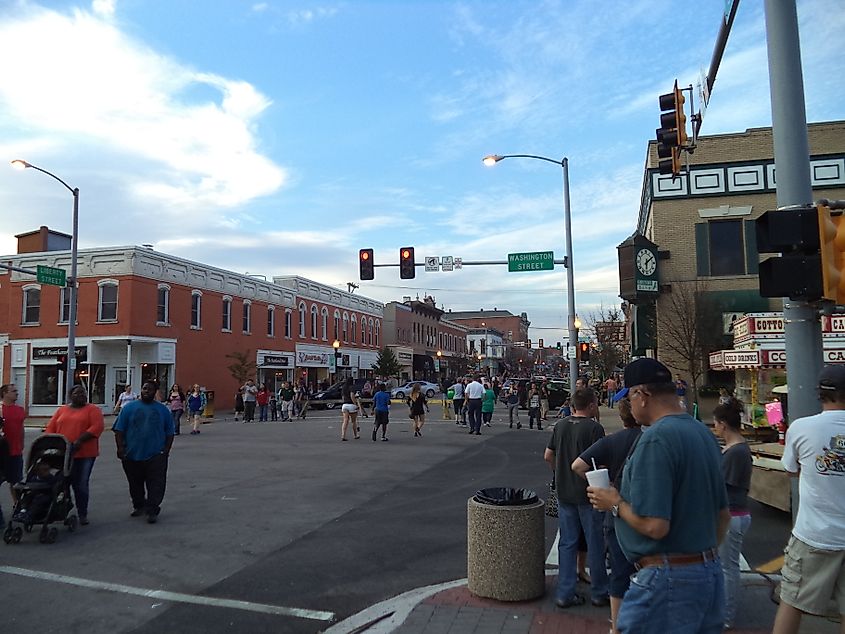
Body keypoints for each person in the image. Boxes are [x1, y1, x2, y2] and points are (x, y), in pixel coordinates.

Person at [587, 358, 729, 633]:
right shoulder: (704, 433)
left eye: (628, 397)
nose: (628, 405)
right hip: (707, 572)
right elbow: (723, 515)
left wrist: (614, 503)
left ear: (643, 395)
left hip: (666, 579)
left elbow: (655, 525)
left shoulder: (656, 439)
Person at [773, 365, 845, 634]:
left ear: (820, 394)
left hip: (814, 535)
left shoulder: (801, 428)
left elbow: (791, 469)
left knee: (791, 602)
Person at [572, 396, 641, 634]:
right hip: (644, 510)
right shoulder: (649, 440)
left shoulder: (612, 442)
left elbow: (577, 466)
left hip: (615, 512)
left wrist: (601, 481)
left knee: (619, 570)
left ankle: (617, 625)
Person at [544, 387, 608, 609]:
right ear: (590, 405)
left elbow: (548, 455)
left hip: (564, 492)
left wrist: (558, 472)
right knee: (596, 543)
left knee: (567, 543)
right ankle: (600, 592)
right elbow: (600, 463)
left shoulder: (560, 426)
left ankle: (565, 592)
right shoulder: (594, 429)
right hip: (588, 493)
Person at [712, 398, 752, 630]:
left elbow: (722, 485)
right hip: (731, 514)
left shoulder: (736, 452)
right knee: (724, 565)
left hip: (733, 515)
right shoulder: (734, 449)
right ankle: (723, 609)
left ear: (724, 424)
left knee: (728, 567)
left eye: (716, 424)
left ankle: (727, 615)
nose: (715, 428)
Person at [112, 381, 174, 524]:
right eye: (144, 388)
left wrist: (165, 451)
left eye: (150, 389)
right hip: (132, 454)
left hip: (155, 455)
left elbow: (169, 432)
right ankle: (139, 505)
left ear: (155, 392)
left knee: (156, 483)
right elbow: (119, 430)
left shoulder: (163, 410)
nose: (146, 391)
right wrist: (120, 448)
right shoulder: (128, 408)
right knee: (135, 483)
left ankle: (152, 509)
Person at [45, 384, 105, 525]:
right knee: (63, 482)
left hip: (84, 453)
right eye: (77, 393)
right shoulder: (62, 410)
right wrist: (50, 442)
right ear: (70, 396)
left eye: (83, 393)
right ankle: (64, 508)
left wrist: (80, 440)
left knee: (81, 484)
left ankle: (82, 512)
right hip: (63, 453)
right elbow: (50, 427)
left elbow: (97, 427)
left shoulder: (92, 409)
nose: (81, 395)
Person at [0, 384, 26, 528]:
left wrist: (21, 443)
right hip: (2, 452)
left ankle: (18, 506)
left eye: (17, 390)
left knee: (16, 482)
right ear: (4, 394)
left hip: (15, 451)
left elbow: (21, 428)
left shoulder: (20, 410)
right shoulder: (0, 410)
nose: (17, 393)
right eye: (13, 391)